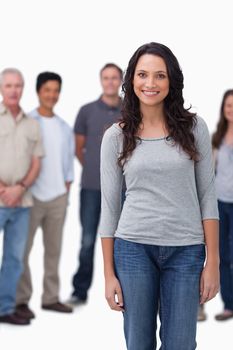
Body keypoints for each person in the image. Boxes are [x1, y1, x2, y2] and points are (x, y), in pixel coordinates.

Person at [98, 42, 220, 350]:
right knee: (139, 344)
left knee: (181, 344)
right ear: (131, 80)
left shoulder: (195, 129)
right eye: (142, 75)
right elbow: (110, 208)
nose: (150, 84)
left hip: (186, 252)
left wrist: (213, 262)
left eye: (159, 76)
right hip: (133, 251)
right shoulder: (116, 136)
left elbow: (207, 196)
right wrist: (108, 274)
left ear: (172, 81)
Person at [16, 72, 74, 319]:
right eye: (47, 90)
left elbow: (68, 165)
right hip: (30, 197)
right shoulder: (27, 122)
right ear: (38, 91)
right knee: (21, 251)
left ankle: (50, 298)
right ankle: (20, 301)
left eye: (56, 90)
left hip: (57, 198)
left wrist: (66, 191)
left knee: (54, 251)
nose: (52, 95)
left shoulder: (64, 127)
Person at [69, 63, 123, 304]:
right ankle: (80, 291)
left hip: (124, 189)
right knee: (88, 239)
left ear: (121, 81)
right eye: (106, 78)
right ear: (101, 80)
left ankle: (125, 287)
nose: (110, 82)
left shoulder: (131, 110)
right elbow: (79, 149)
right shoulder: (86, 111)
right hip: (91, 187)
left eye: (114, 78)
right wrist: (97, 169)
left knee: (123, 238)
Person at [0, 68, 43, 325]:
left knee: (15, 260)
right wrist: (4, 189)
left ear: (23, 89)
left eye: (18, 86)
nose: (13, 90)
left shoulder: (32, 124)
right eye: (8, 86)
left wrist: (20, 188)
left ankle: (4, 309)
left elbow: (36, 162)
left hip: (22, 203)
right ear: (2, 89)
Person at [212, 89, 233, 321]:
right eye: (228, 105)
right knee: (223, 256)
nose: (231, 109)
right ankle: (229, 304)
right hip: (220, 203)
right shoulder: (215, 138)